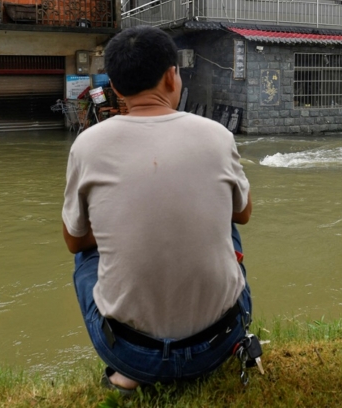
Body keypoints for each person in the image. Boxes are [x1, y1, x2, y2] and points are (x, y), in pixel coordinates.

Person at [62, 26, 253, 393]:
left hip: (132, 355)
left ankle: (129, 373)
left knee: (87, 257)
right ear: (172, 76)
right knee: (228, 224)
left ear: (115, 88)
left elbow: (74, 241)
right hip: (218, 343)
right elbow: (243, 213)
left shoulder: (87, 145)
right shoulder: (217, 135)